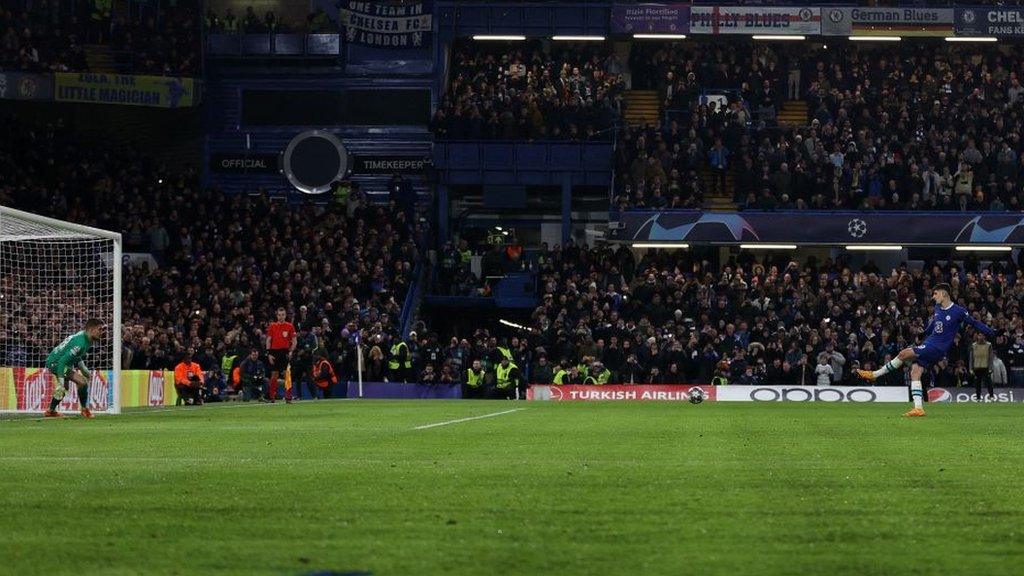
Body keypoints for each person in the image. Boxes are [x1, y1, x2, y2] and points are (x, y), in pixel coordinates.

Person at [857, 283, 995, 417]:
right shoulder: (937, 308)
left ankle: (874, 375)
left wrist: (992, 332)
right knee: (915, 371)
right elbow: (934, 324)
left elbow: (975, 323)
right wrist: (924, 333)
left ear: (944, 294)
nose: (933, 297)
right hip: (930, 342)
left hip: (937, 347)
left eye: (935, 294)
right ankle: (918, 408)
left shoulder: (958, 311)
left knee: (903, 353)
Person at [44, 319, 104, 418]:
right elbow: (62, 361)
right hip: (56, 363)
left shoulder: (85, 337)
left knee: (65, 388)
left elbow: (76, 355)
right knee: (82, 382)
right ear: (92, 330)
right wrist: (61, 380)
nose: (101, 332)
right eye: (100, 329)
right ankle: (84, 410)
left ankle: (51, 411)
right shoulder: (81, 343)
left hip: (59, 361)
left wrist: (84, 369)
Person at [266, 307, 297, 403]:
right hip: (274, 352)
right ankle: (272, 397)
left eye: (283, 315)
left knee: (286, 374)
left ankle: (288, 397)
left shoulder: (290, 326)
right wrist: (269, 354)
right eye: (279, 315)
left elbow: (294, 341)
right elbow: (268, 340)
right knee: (274, 374)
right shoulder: (272, 326)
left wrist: (291, 351)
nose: (281, 317)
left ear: (285, 315)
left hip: (285, 352)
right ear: (277, 315)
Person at [970, 332, 994, 401]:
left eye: (981, 335)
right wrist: (971, 368)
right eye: (979, 335)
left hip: (986, 366)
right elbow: (971, 358)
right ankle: (978, 397)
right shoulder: (973, 345)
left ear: (984, 336)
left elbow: (990, 357)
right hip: (977, 367)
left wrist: (990, 368)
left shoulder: (988, 345)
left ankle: (991, 396)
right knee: (977, 383)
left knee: (989, 383)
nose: (980, 337)